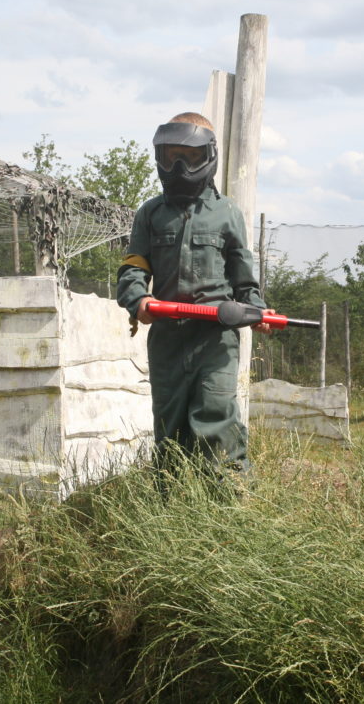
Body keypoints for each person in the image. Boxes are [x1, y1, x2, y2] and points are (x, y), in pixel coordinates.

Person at [116, 112, 275, 481]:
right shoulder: (151, 214)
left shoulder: (227, 213)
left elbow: (244, 279)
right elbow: (133, 268)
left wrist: (259, 312)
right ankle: (171, 508)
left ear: (208, 156)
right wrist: (137, 299)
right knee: (169, 427)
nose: (179, 168)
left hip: (216, 338)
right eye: (170, 157)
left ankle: (229, 501)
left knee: (215, 414)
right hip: (168, 338)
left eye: (189, 157)